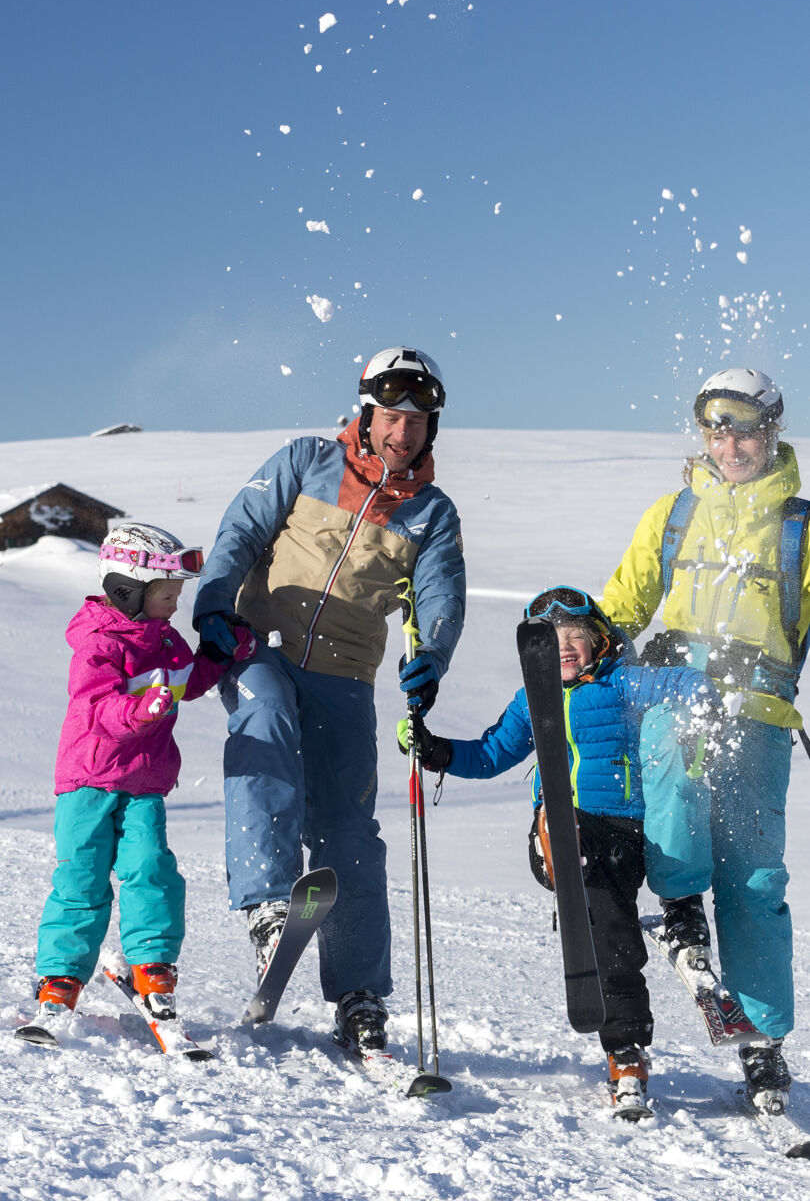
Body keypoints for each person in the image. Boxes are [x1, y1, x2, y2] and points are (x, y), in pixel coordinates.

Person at [193, 347, 465, 1053]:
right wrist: (214, 606)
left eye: (419, 420)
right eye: (393, 415)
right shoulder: (306, 461)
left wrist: (430, 655)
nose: (404, 431)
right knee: (267, 722)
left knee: (349, 829)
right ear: (368, 412)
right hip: (259, 644)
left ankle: (360, 995)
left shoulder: (431, 513)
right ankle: (266, 907)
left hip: (346, 672)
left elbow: (440, 597)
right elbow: (241, 530)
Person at [397, 585, 719, 1114]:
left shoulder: (623, 683)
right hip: (562, 825)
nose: (565, 648)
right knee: (563, 821)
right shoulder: (532, 698)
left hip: (623, 834)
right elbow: (492, 751)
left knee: (612, 939)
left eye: (576, 637)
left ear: (599, 641)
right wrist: (435, 751)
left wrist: (703, 698)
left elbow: (677, 683)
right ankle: (558, 842)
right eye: (551, 640)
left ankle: (626, 1054)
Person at [601, 367, 810, 1112]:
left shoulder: (799, 527)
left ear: (771, 431)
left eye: (745, 428)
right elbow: (622, 606)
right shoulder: (675, 513)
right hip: (675, 696)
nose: (731, 443)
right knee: (675, 782)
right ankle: (681, 907)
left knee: (756, 878)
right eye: (717, 429)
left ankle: (761, 1042)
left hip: (759, 715)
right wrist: (574, 634)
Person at [31, 523, 255, 1027]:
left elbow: (185, 685)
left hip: (144, 783)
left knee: (150, 868)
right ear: (127, 590)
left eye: (178, 594)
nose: (175, 604)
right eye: (166, 594)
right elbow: (95, 710)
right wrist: (139, 710)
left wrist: (218, 656)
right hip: (88, 782)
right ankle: (61, 975)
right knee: (81, 880)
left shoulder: (167, 641)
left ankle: (152, 966)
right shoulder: (99, 644)